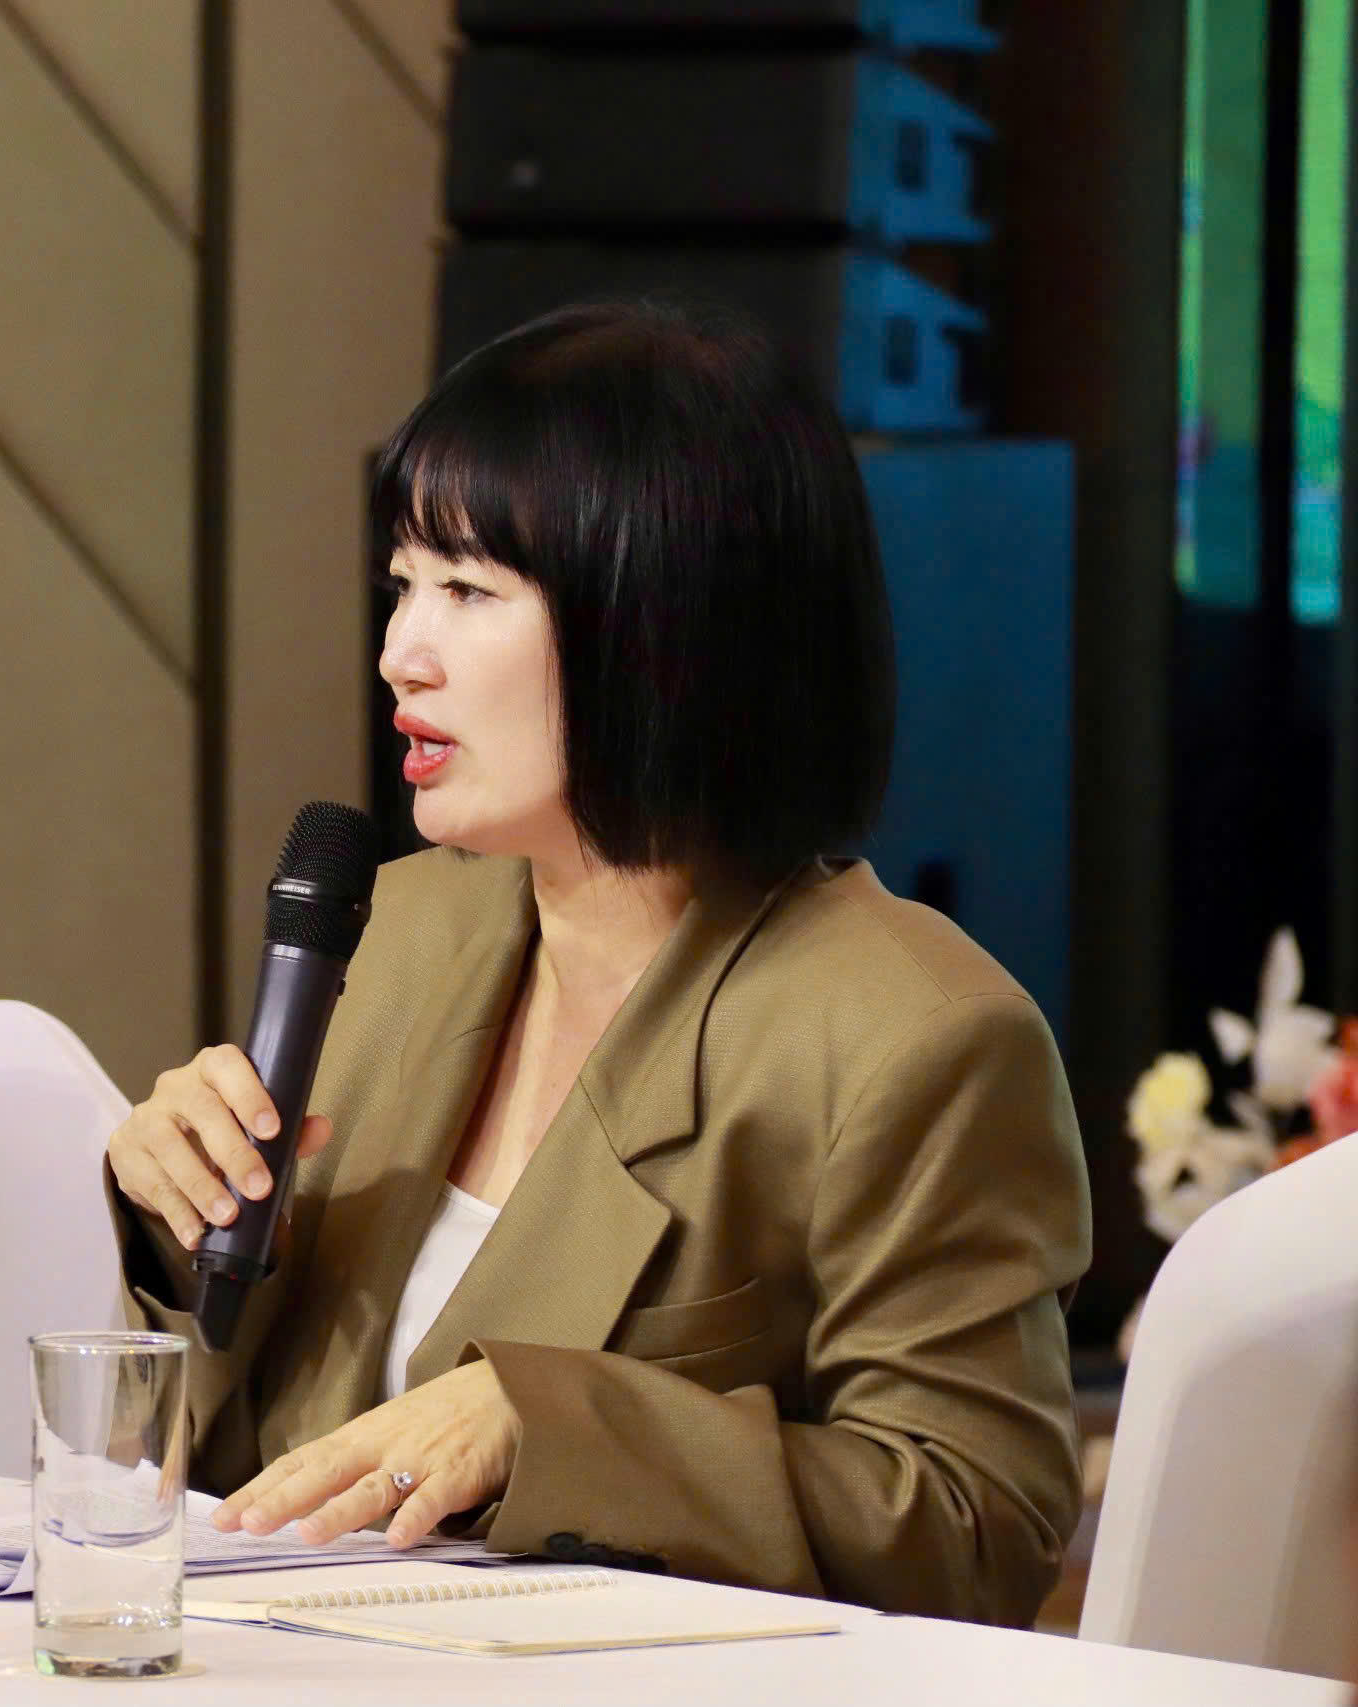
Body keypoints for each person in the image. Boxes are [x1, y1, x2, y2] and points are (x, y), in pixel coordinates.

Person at [105, 303, 1089, 1625]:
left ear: (661, 626)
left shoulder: (916, 1035)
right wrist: (194, 1233)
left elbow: (980, 1526)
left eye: (468, 591)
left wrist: (556, 1422)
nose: (399, 653)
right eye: (402, 584)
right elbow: (252, 1471)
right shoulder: (398, 930)